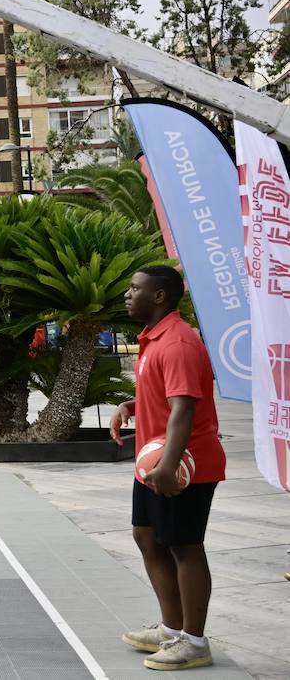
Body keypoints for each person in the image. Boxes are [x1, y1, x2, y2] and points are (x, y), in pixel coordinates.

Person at [111, 266, 225, 671]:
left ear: (159, 297)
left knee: (184, 546)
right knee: (147, 536)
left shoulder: (177, 341)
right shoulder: (153, 338)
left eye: (135, 288)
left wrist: (169, 465)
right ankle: (171, 628)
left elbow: (184, 409)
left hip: (184, 465)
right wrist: (134, 407)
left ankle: (194, 642)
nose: (128, 294)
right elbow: (168, 396)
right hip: (156, 461)